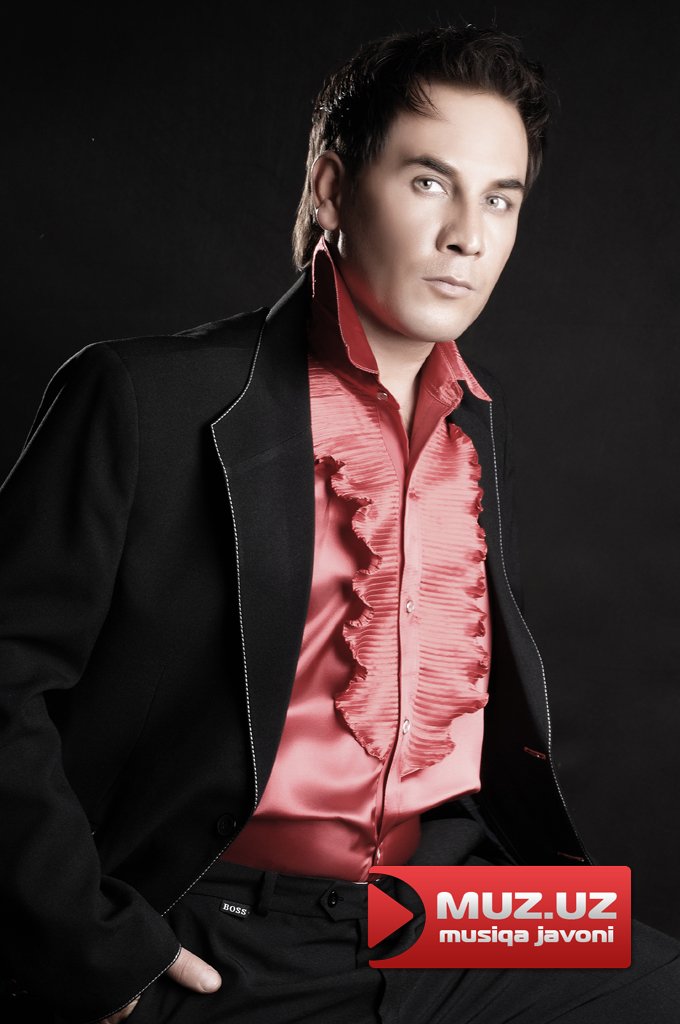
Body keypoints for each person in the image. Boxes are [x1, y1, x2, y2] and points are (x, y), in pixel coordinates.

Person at [1, 24, 678, 1024]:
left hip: (436, 903)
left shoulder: (470, 420)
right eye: (428, 182)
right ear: (330, 187)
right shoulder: (143, 396)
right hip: (219, 917)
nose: (468, 235)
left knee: (662, 981)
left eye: (500, 199)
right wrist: (89, 946)